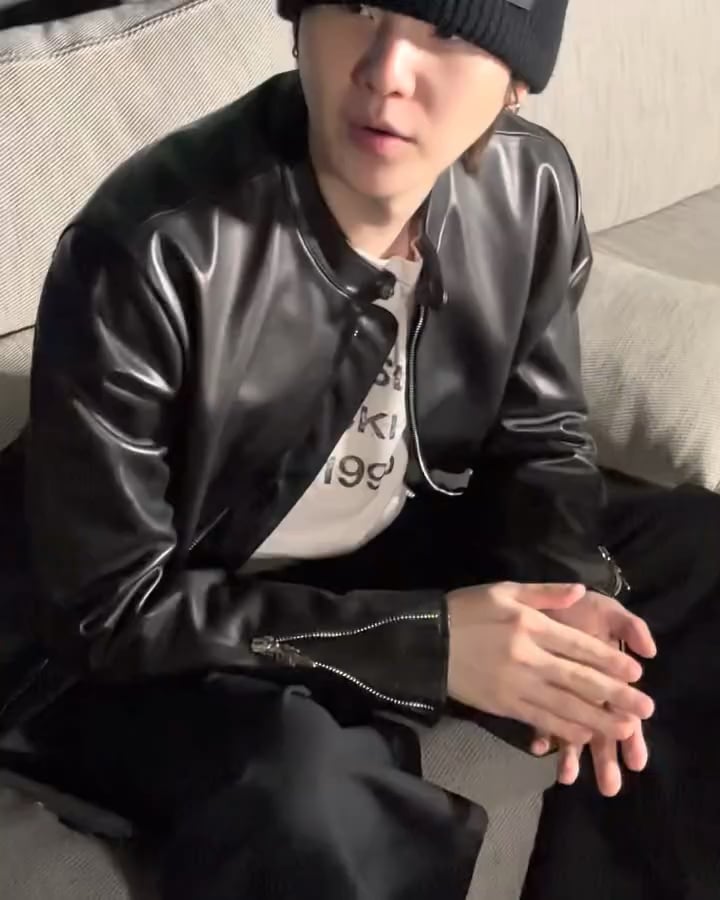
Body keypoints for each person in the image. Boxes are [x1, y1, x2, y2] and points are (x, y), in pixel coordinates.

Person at [0, 1, 718, 898]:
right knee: (308, 797)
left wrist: (565, 594)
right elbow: (106, 613)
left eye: (446, 32)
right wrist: (429, 644)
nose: (385, 70)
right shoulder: (148, 254)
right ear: (299, 21)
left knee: (699, 561)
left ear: (515, 80)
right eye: (355, 6)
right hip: (158, 620)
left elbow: (539, 440)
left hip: (391, 539)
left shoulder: (527, 188)